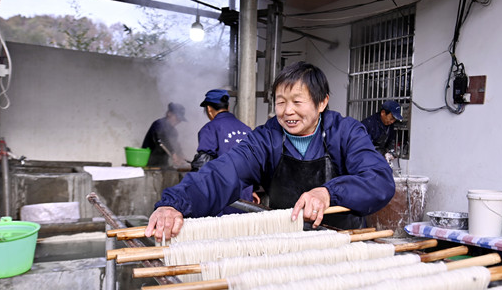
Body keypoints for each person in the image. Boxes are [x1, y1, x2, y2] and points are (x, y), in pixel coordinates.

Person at [145, 61, 395, 240]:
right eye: (280, 102)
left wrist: (328, 193)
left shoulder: (346, 132)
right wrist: (174, 204)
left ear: (322, 102)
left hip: (343, 243)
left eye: (297, 102)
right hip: (286, 245)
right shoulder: (266, 139)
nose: (287, 111)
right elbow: (222, 174)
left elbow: (379, 181)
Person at [191, 88, 258, 214]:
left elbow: (202, 164)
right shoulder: (247, 129)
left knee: (221, 232)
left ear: (209, 109)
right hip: (245, 199)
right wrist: (253, 189)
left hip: (221, 200)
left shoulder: (210, 128)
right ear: (227, 106)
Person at [141, 102, 189, 168]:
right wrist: (173, 153)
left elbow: (175, 145)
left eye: (180, 119)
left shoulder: (174, 132)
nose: (178, 121)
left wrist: (181, 155)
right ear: (169, 113)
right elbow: (160, 140)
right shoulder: (159, 124)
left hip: (163, 165)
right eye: (177, 117)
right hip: (149, 164)